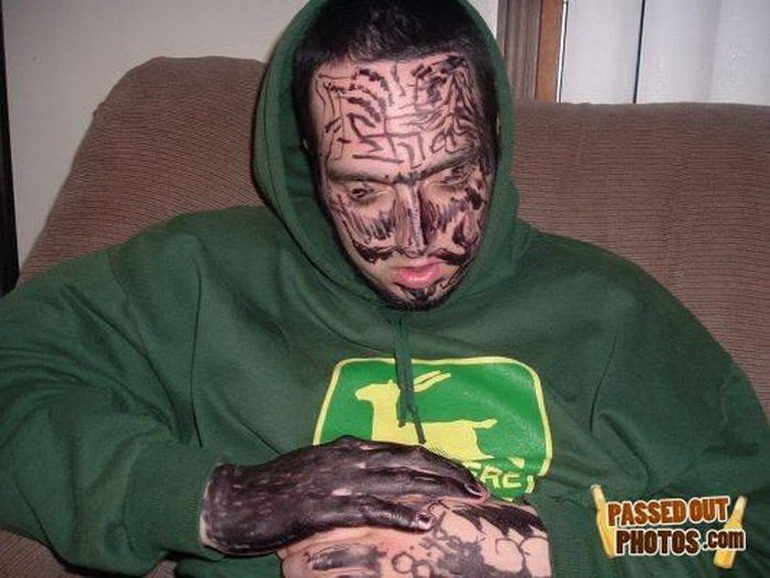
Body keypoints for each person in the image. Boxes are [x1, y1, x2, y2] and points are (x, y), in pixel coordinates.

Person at [0, 0, 767, 577]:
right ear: (310, 163)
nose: (417, 235)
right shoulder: (199, 276)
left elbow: (739, 527)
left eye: (451, 176)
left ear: (496, 142)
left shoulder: (614, 311)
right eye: (364, 191)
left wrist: (531, 548)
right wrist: (214, 503)